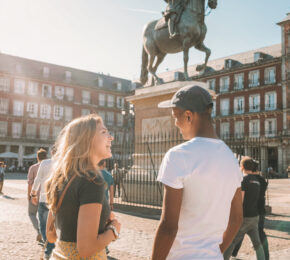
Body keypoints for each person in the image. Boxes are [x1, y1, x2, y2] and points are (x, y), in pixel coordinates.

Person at [151, 85, 243, 260]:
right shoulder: (231, 158)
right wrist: (216, 251)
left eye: (175, 117)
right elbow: (237, 218)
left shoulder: (178, 155)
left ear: (188, 116)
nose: (175, 124)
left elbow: (169, 227)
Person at [46, 114, 121, 259]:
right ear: (87, 139)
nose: (110, 138)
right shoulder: (92, 179)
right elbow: (86, 248)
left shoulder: (61, 178)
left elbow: (51, 236)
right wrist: (113, 230)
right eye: (104, 132)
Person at [224, 157, 265, 260]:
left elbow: (240, 201)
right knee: (257, 243)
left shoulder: (243, 180)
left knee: (231, 241)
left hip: (245, 217)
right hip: (255, 216)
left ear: (241, 167)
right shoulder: (257, 181)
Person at [30, 147, 56, 259]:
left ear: (51, 152)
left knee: (43, 225)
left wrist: (33, 194)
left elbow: (38, 179)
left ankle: (50, 248)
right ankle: (53, 248)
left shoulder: (45, 163)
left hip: (44, 199)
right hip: (58, 201)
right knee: (57, 226)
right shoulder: (65, 164)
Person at [27, 148, 47, 243]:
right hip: (46, 196)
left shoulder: (33, 167)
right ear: (46, 156)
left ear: (37, 157)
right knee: (43, 216)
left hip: (35, 195)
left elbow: (30, 183)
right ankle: (44, 234)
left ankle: (39, 231)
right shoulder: (50, 166)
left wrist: (29, 195)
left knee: (31, 214)